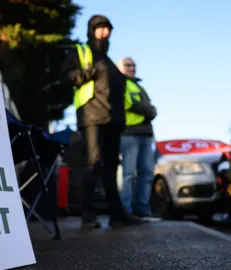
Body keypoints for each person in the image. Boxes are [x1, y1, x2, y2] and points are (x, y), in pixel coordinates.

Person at [60, 15, 143, 229]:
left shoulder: (110, 62)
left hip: (113, 121)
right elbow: (67, 76)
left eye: (107, 29)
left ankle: (117, 215)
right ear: (91, 30)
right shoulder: (81, 52)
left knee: (111, 167)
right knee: (93, 163)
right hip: (92, 117)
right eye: (100, 29)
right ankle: (88, 215)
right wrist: (90, 72)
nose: (104, 33)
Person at [117, 57, 157, 218]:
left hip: (146, 135)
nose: (131, 68)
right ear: (120, 68)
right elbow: (130, 104)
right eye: (127, 65)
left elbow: (149, 108)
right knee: (128, 173)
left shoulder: (139, 87)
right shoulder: (120, 84)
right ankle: (125, 209)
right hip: (129, 134)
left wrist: (148, 109)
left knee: (147, 172)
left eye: (133, 65)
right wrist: (148, 110)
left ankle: (142, 208)